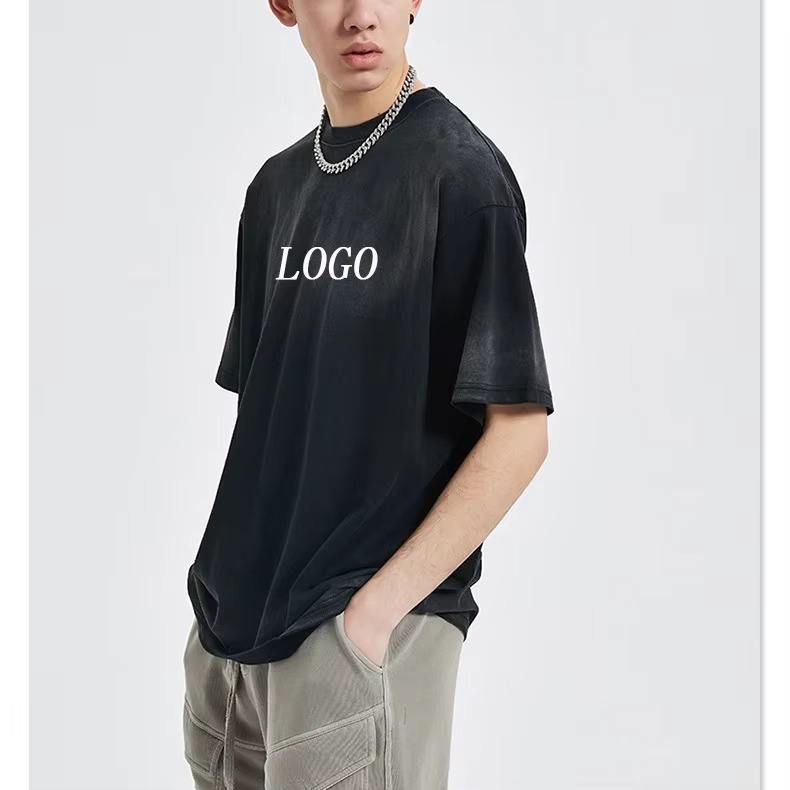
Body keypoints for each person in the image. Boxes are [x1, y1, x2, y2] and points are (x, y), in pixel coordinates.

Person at [182, 2, 555, 788]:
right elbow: (272, 416)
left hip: (357, 637)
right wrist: (217, 595)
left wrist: (375, 616)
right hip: (230, 641)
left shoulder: (461, 176)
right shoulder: (276, 189)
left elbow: (520, 432)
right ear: (284, 6)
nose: (361, 16)